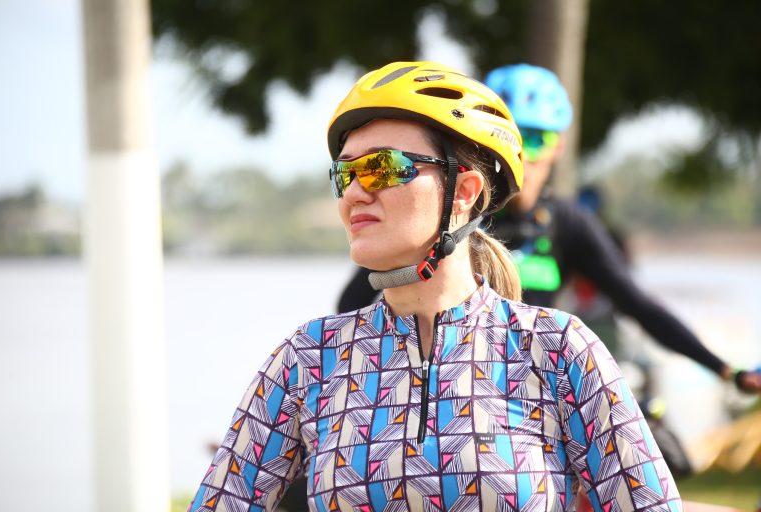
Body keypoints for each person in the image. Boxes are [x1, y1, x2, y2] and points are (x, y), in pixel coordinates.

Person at [189, 61, 682, 511]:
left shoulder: (558, 351)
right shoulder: (308, 359)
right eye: (345, 173)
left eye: (382, 167)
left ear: (463, 192)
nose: (355, 192)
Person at [336, 63, 761, 396]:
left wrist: (727, 371)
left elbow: (637, 303)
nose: (527, 154)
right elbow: (354, 301)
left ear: (558, 147)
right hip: (441, 375)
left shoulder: (567, 222)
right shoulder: (457, 215)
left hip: (530, 382)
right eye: (518, 136)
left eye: (539, 139)